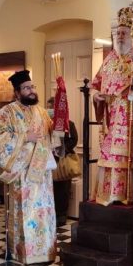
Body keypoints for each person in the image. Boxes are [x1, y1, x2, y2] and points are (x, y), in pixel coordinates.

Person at [91, 6, 133, 205]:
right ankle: (108, 194)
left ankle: (127, 194)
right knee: (109, 154)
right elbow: (96, 82)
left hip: (132, 112)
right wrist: (96, 95)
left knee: (129, 154)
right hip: (112, 114)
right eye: (118, 33)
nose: (120, 36)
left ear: (132, 34)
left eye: (124, 33)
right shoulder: (111, 57)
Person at [0, 70, 57, 264]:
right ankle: (22, 252)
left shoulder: (41, 111)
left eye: (32, 87)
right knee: (25, 212)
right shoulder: (6, 113)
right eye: (26, 88)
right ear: (17, 92)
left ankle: (45, 249)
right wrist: (24, 137)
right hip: (22, 174)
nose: (31, 91)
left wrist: (59, 128)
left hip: (42, 172)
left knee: (44, 210)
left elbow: (52, 135)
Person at [47, 96, 78, 226]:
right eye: (49, 107)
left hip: (63, 160)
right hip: (48, 160)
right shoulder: (45, 124)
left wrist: (61, 149)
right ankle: (49, 214)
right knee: (49, 189)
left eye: (53, 107)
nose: (50, 110)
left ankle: (61, 215)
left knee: (63, 189)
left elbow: (74, 140)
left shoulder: (68, 123)